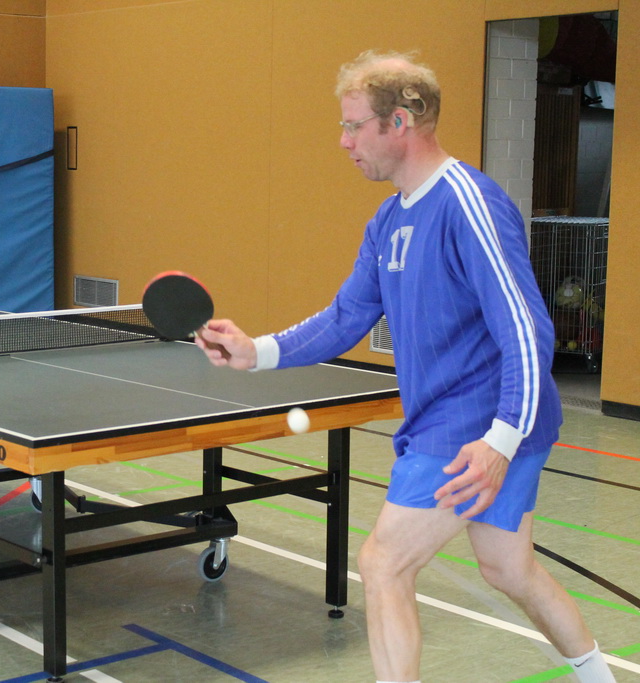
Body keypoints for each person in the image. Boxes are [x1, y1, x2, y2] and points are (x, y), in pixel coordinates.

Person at [196, 51, 614, 683]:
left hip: (476, 423)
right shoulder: (388, 220)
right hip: (460, 420)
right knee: (509, 569)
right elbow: (346, 317)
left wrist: (500, 441)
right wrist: (258, 351)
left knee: (384, 563)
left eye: (353, 125)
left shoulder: (469, 204)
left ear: (401, 122)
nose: (344, 141)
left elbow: (527, 332)